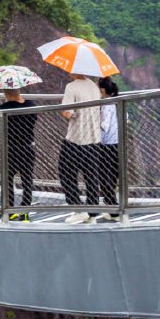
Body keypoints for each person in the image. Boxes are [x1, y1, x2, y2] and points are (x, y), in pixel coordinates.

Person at [59, 72, 101, 222]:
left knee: (66, 173)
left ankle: (78, 208)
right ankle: (92, 213)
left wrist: (66, 113)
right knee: (91, 176)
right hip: (94, 138)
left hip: (75, 139)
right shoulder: (94, 86)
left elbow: (66, 112)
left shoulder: (72, 87)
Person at [0, 89, 38, 219]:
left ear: (6, 94)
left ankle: (9, 210)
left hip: (12, 149)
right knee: (27, 180)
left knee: (7, 179)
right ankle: (25, 211)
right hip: (28, 147)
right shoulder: (31, 105)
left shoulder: (7, 106)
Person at [97, 78, 120, 220]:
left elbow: (104, 125)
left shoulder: (106, 104)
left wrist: (95, 117)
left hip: (106, 145)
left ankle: (113, 208)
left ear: (103, 90)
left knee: (103, 176)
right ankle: (113, 208)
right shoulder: (118, 101)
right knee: (112, 176)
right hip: (117, 143)